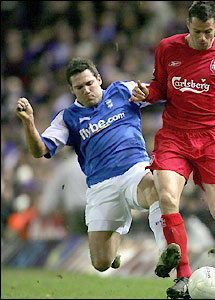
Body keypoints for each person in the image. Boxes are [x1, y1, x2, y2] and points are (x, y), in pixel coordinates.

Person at [129, 1, 215, 298]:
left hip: (211, 139)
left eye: (208, 32)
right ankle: (183, 276)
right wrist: (147, 93)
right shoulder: (167, 48)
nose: (203, 38)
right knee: (166, 197)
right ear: (188, 25)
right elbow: (160, 86)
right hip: (173, 136)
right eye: (198, 31)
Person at [15, 57, 170, 274]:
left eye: (89, 83)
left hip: (134, 170)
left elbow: (160, 92)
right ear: (72, 89)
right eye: (79, 87)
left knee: (155, 186)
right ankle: (114, 237)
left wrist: (155, 91)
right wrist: (29, 122)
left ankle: (166, 251)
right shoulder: (67, 118)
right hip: (101, 185)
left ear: (99, 79)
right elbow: (39, 150)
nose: (86, 90)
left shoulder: (122, 91)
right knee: (101, 263)